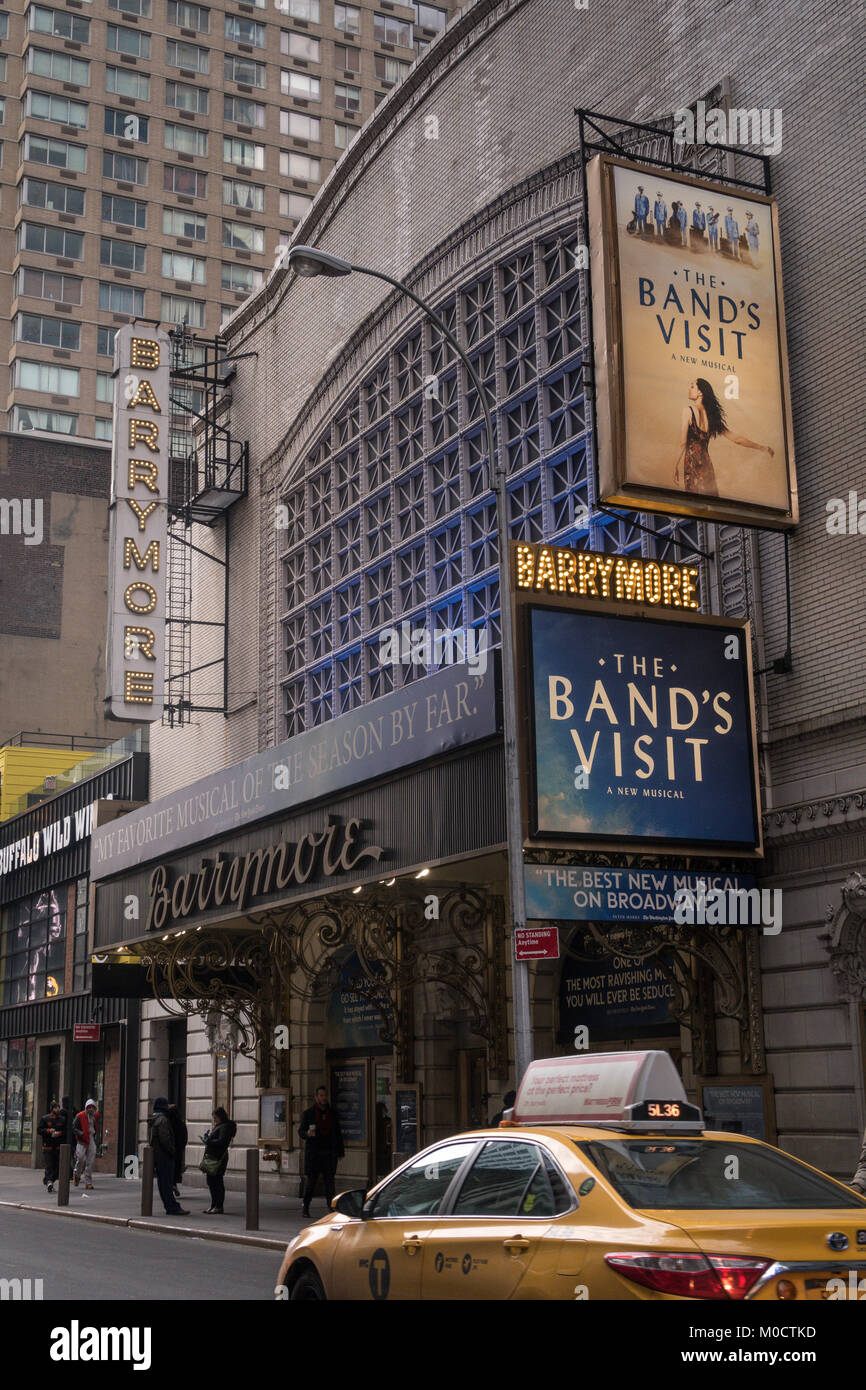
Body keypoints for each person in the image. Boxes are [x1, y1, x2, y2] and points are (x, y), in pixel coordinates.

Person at [673, 377, 775, 496]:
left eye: (692, 386)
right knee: (710, 503)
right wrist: (762, 448)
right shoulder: (712, 418)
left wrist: (675, 465)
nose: (689, 389)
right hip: (707, 466)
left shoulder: (688, 411)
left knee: (694, 504)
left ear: (700, 392)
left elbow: (683, 443)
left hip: (692, 465)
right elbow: (737, 440)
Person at [300, 1086, 344, 1218]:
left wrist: (340, 1151)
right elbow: (301, 1131)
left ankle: (331, 1208)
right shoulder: (308, 1113)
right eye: (321, 1095)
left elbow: (338, 1133)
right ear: (316, 1097)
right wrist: (307, 1133)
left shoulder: (333, 1114)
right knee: (311, 1182)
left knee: (330, 1182)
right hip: (314, 1154)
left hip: (329, 1154)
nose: (323, 1098)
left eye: (325, 1095)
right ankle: (306, 1205)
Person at [149, 1097, 189, 1215]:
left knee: (163, 1184)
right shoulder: (163, 1120)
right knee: (166, 1183)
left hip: (158, 1156)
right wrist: (173, 1151)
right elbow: (165, 1139)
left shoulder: (154, 1118)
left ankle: (170, 1206)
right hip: (165, 1156)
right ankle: (172, 1207)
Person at [202, 1106, 236, 1215]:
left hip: (218, 1157)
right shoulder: (220, 1126)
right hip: (213, 1156)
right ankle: (213, 1205)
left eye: (215, 1117)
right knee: (211, 1181)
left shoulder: (225, 1127)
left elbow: (222, 1141)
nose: (214, 1119)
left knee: (217, 1181)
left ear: (220, 1116)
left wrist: (209, 1141)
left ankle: (218, 1205)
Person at [72, 1099, 99, 1190]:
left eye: (92, 1107)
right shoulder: (79, 1116)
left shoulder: (94, 1117)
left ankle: (88, 1182)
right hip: (82, 1140)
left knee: (90, 1162)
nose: (91, 1109)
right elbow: (73, 1127)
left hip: (90, 1138)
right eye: (89, 1107)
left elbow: (95, 1128)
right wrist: (81, 1134)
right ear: (86, 1108)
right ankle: (77, 1175)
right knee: (80, 1159)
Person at [37, 1101, 63, 1193]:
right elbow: (39, 1130)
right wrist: (48, 1131)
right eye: (56, 1108)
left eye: (58, 1107)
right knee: (49, 1165)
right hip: (47, 1146)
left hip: (57, 1147)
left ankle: (49, 1180)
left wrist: (59, 1133)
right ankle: (49, 1182)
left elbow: (64, 1131)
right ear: (52, 1109)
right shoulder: (45, 1119)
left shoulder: (61, 1119)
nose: (58, 1109)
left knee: (57, 1166)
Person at [167, 1102, 188, 1200]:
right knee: (176, 1167)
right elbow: (185, 1137)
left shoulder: (167, 1123)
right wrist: (181, 1147)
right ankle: (174, 1183)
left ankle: (170, 1185)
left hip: (169, 1149)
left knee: (168, 1168)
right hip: (178, 1149)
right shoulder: (180, 1122)